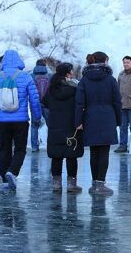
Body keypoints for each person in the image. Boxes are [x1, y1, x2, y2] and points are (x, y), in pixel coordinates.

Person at [0, 50, 42, 190]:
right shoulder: (25, 77)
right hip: (20, 121)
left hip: (2, 121)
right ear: (19, 61)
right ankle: (12, 172)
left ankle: (5, 180)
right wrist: (37, 116)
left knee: (4, 148)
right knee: (20, 149)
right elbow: (34, 99)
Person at [75, 51, 121, 196]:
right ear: (105, 61)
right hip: (108, 116)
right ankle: (100, 183)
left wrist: (78, 121)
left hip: (90, 116)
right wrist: (118, 120)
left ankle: (94, 183)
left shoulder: (84, 80)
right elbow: (117, 102)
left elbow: (79, 103)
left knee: (94, 151)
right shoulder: (111, 80)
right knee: (104, 151)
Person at [42, 63, 83, 192]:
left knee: (56, 155)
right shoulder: (75, 89)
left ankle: (56, 184)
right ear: (67, 74)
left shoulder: (52, 89)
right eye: (70, 71)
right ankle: (71, 184)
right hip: (71, 126)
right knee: (71, 155)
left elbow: (45, 103)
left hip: (55, 126)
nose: (72, 73)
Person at [30, 59, 52, 152]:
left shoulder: (31, 76)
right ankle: (51, 145)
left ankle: (34, 147)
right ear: (45, 66)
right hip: (48, 104)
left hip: (35, 104)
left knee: (34, 126)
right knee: (50, 125)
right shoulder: (50, 76)